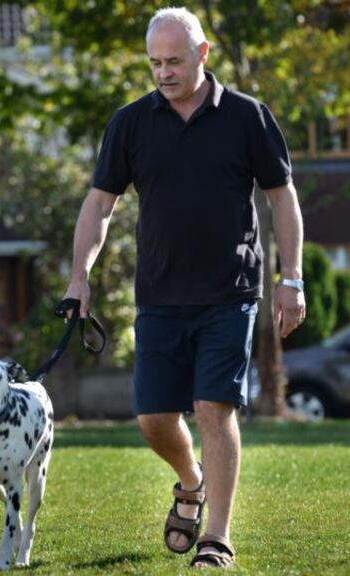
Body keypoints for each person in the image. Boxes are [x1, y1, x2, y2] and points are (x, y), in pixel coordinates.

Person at [62, 6, 306, 569]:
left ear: (202, 54)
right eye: (154, 63)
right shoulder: (131, 122)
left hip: (231, 290)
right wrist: (81, 276)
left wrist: (290, 279)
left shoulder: (247, 116)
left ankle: (216, 539)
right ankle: (190, 480)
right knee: (153, 418)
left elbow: (282, 198)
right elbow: (100, 203)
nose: (163, 72)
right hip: (160, 294)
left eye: (174, 60)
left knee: (213, 408)